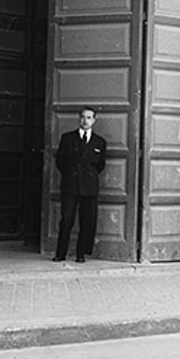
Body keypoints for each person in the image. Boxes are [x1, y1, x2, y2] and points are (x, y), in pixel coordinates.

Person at [52, 107, 106, 263]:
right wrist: (70, 175)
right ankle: (60, 254)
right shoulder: (67, 138)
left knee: (87, 221)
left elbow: (100, 165)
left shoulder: (100, 142)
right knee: (67, 220)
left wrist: (88, 176)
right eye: (82, 117)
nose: (85, 120)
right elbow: (60, 161)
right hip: (71, 186)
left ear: (94, 120)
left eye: (89, 117)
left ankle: (80, 254)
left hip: (89, 187)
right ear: (79, 118)